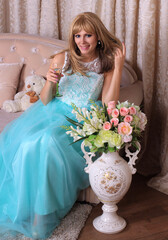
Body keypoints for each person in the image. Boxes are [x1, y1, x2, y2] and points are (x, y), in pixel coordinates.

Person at [0, 12, 125, 239]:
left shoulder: (103, 64)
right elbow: (47, 99)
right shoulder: (63, 58)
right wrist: (50, 81)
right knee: (27, 143)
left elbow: (109, 104)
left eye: (88, 35)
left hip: (81, 119)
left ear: (98, 36)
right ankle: (25, 208)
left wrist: (117, 66)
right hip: (51, 112)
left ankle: (42, 215)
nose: (82, 41)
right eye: (77, 35)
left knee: (47, 142)